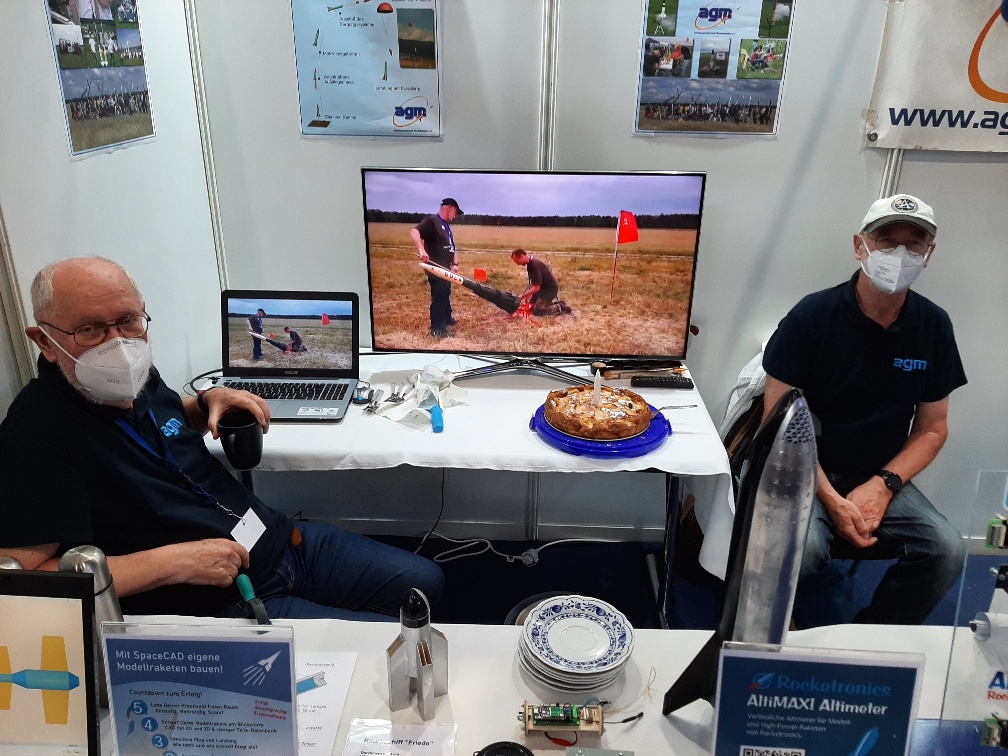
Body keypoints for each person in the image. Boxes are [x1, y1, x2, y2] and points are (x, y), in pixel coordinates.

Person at [0, 257, 444, 620]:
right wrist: (169, 563)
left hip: (277, 539)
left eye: (129, 321)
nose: (117, 344)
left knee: (426, 583)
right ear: (44, 341)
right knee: (388, 643)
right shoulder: (36, 431)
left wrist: (208, 400)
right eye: (90, 330)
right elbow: (25, 576)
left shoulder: (132, 373)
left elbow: (168, 421)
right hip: (224, 596)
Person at [761, 194, 967, 626]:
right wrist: (832, 501)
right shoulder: (811, 317)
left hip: (879, 473)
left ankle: (873, 637)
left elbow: (932, 428)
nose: (899, 253)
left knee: (946, 550)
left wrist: (883, 485)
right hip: (805, 467)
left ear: (928, 255)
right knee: (805, 553)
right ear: (860, 246)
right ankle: (790, 638)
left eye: (914, 243)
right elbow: (777, 424)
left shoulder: (934, 325)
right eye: (886, 239)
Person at [411, 197, 463, 338]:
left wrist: (455, 264)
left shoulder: (446, 226)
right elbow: (414, 232)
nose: (455, 216)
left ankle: (447, 318)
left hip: (446, 268)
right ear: (450, 208)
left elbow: (452, 247)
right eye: (455, 212)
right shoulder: (432, 221)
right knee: (439, 295)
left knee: (445, 291)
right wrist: (421, 250)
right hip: (435, 268)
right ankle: (438, 328)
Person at [510, 249, 571, 316]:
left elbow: (536, 287)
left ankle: (559, 307)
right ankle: (548, 304)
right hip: (542, 289)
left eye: (517, 261)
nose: (518, 264)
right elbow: (534, 283)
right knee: (530, 307)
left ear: (521, 257)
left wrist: (523, 296)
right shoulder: (530, 264)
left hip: (549, 290)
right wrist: (526, 294)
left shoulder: (535, 265)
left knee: (537, 311)